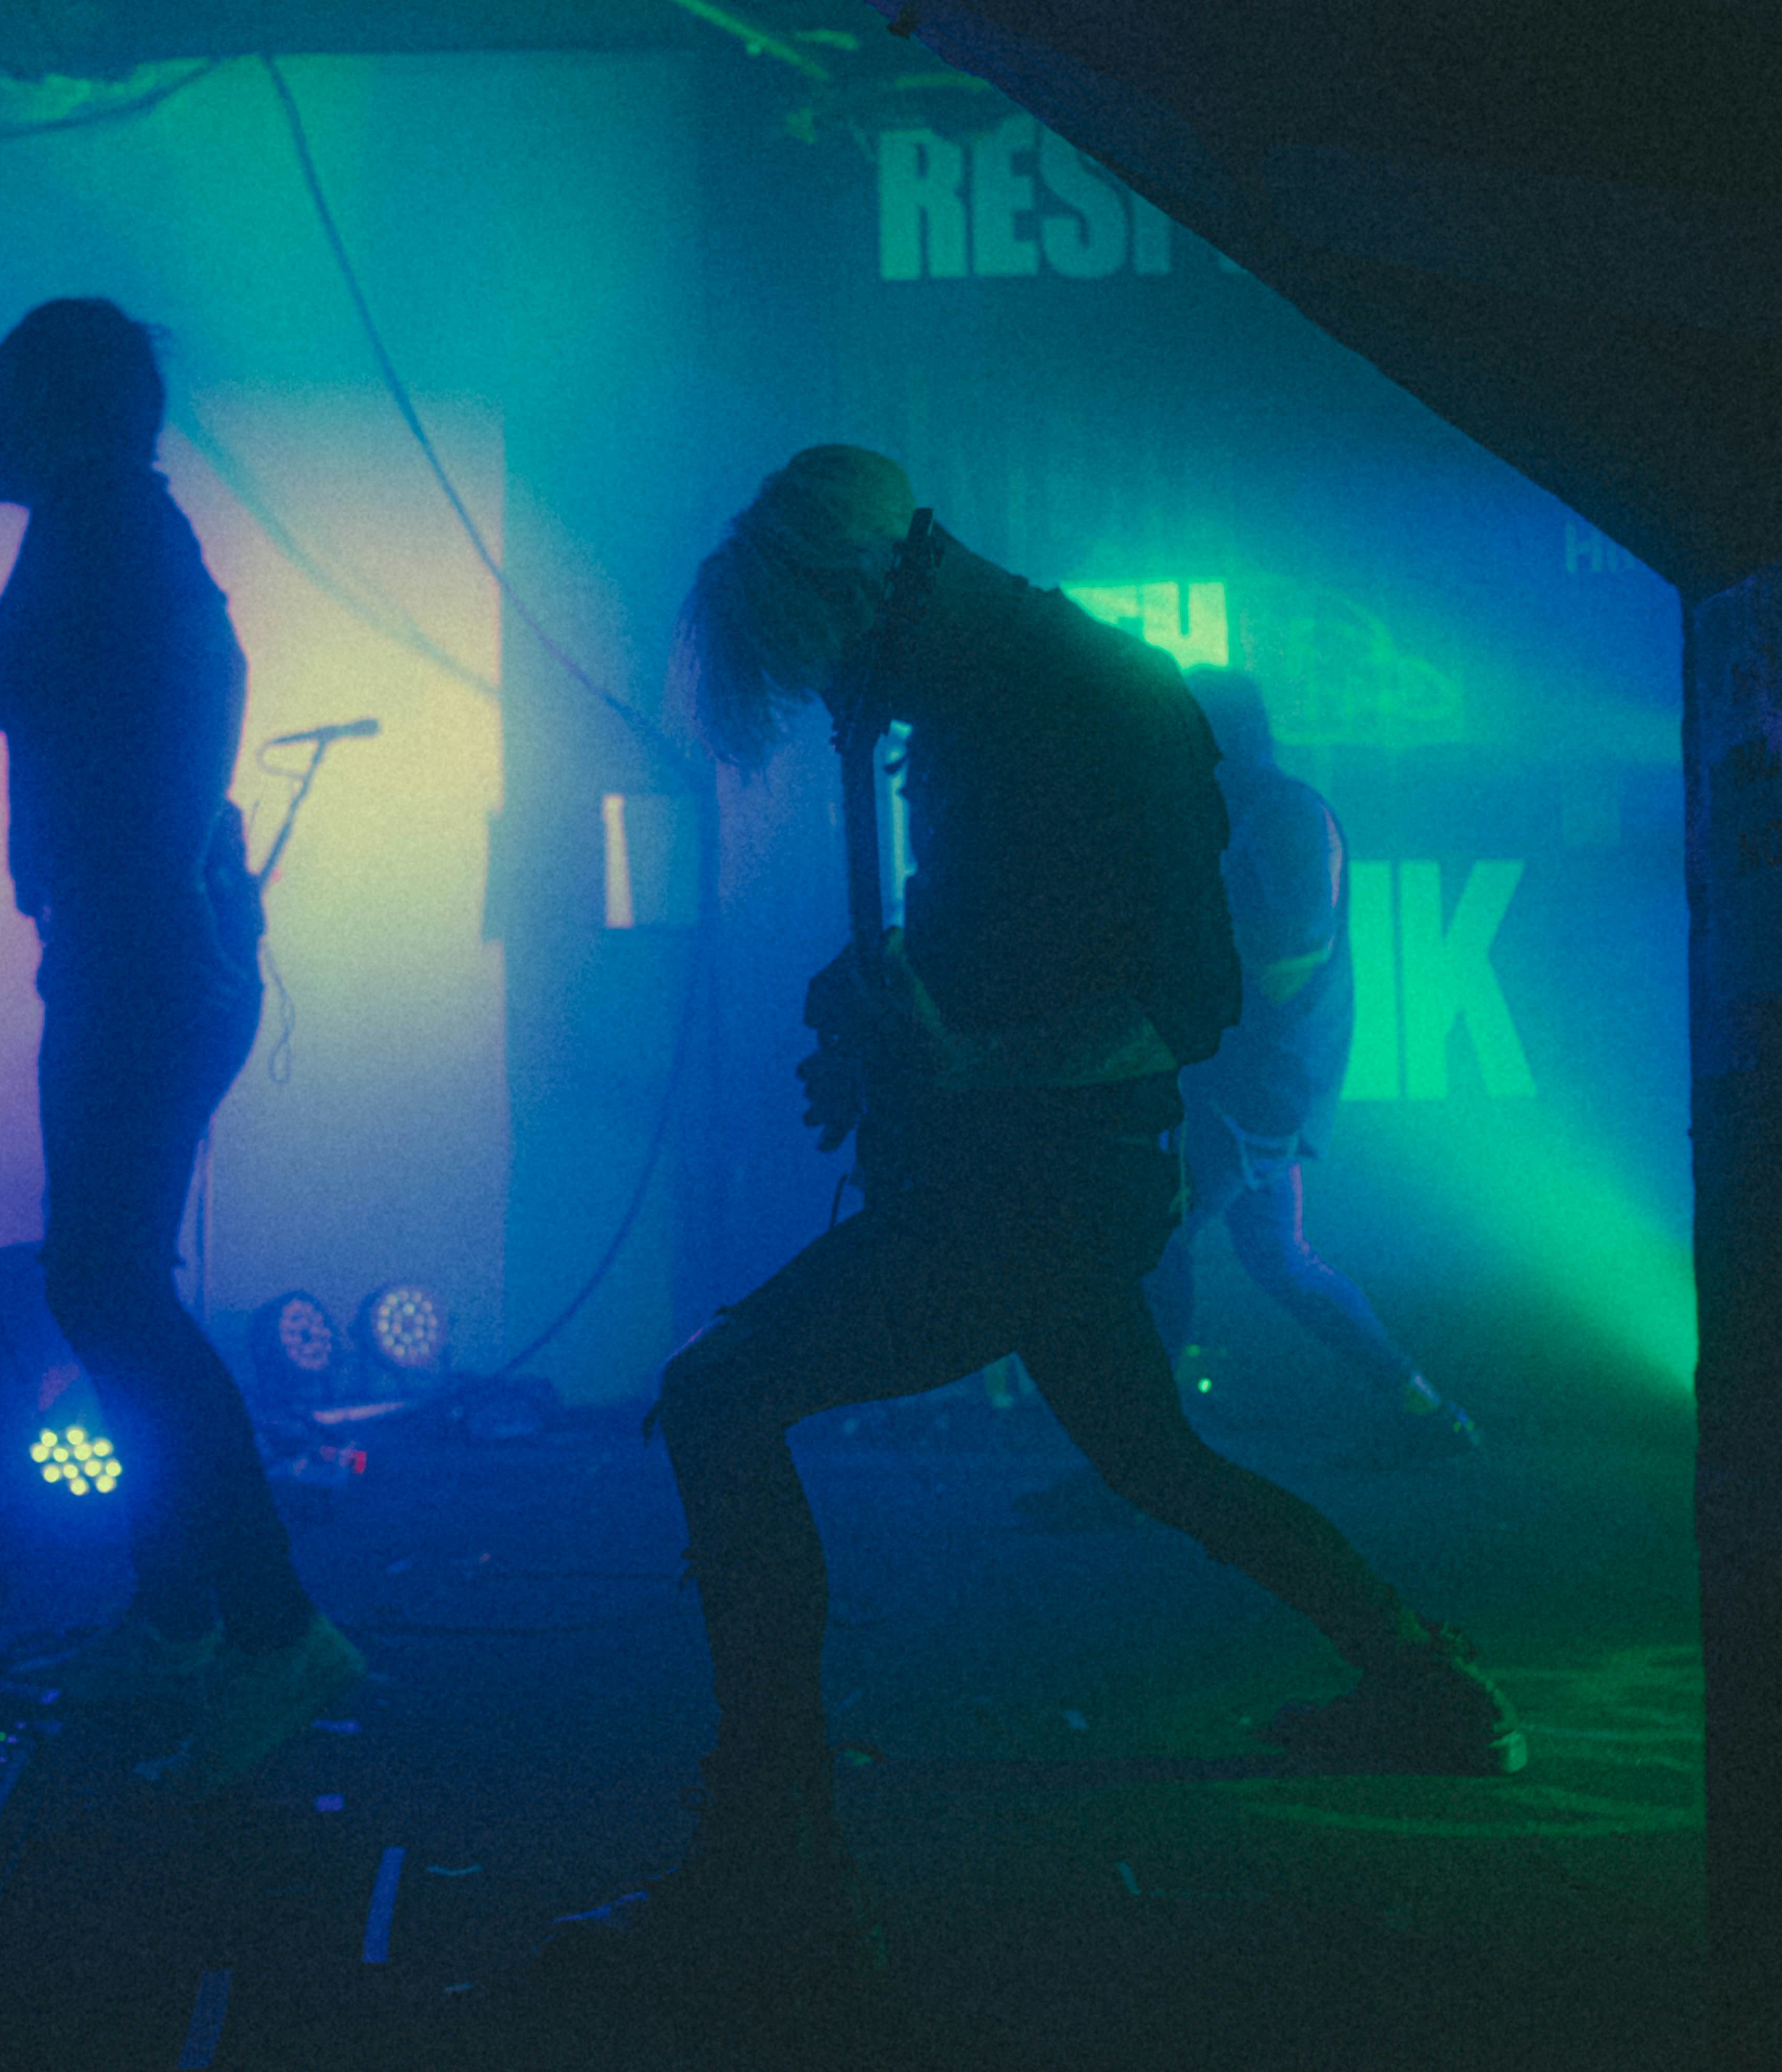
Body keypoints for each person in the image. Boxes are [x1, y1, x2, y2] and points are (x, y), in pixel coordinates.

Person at [546, 449, 1522, 2054]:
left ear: (856, 603)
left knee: (721, 1402)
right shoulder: (985, 695)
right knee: (1151, 1455)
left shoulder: (1080, 702)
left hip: (1040, 1190)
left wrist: (958, 1063)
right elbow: (996, 945)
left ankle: (772, 1882)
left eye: (819, 668)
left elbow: (1186, 1004)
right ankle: (1420, 1683)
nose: (833, 708)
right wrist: (875, 1015)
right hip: (1028, 1182)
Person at [0, 298, 357, 1792]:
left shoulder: (97, 536)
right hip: (154, 957)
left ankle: (271, 1628)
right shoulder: (117, 530)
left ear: (66, 411)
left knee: (105, 1288)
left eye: (2, 395)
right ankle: (180, 1615)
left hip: (141, 964)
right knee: (120, 1285)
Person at [1019, 668, 1473, 1534]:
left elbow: (1289, 950)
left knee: (1153, 1245)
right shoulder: (1237, 809)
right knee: (1281, 1258)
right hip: (1246, 1077)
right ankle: (1426, 1415)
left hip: (1253, 1080)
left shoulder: (1285, 814)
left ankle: (1146, 1463)